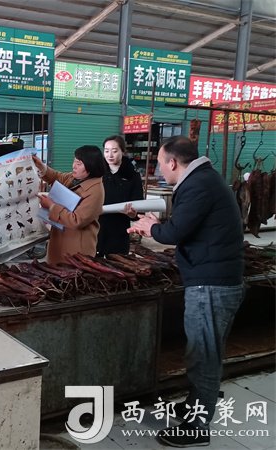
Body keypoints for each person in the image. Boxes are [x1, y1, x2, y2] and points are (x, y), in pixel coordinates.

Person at [127, 136, 244, 448]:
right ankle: (195, 405)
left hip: (211, 284)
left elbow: (175, 232)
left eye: (160, 164)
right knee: (203, 350)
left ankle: (198, 426)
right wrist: (156, 224)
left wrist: (150, 228)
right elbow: (187, 226)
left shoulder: (198, 185)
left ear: (173, 162)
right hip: (213, 279)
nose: (160, 171)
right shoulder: (204, 180)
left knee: (204, 354)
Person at [33, 145, 105, 265]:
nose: (74, 166)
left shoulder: (96, 190)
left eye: (79, 163)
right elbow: (57, 177)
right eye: (74, 161)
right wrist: (41, 166)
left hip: (77, 247)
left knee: (71, 273)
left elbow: (77, 220)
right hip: (60, 239)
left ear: (91, 166)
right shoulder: (74, 178)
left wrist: (51, 206)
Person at [97, 135, 144, 256]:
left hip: (119, 228)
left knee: (117, 262)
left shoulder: (132, 176)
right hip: (97, 227)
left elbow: (138, 204)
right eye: (106, 151)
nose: (110, 155)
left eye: (114, 151)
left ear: (123, 151)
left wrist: (133, 214)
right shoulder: (97, 173)